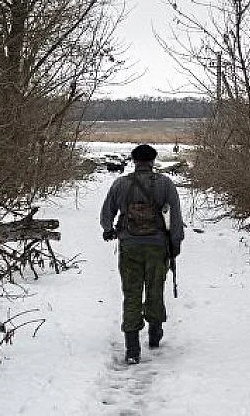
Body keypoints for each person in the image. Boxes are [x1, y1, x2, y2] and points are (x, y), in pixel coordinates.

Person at [100, 144, 184, 364]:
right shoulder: (165, 184)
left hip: (129, 246)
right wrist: (175, 243)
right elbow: (175, 216)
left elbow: (107, 212)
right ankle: (155, 335)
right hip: (157, 246)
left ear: (133, 160)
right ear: (153, 161)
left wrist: (108, 230)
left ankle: (132, 349)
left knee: (131, 292)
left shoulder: (121, 184)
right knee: (155, 288)